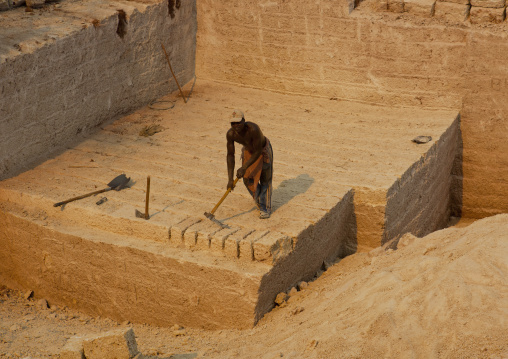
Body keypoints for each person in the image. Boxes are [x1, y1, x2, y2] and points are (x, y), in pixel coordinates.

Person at [226, 109, 273, 219]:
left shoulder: (253, 129)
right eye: (233, 123)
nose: (236, 125)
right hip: (248, 151)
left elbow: (258, 151)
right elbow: (230, 155)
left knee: (265, 179)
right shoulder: (230, 134)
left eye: (238, 122)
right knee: (247, 179)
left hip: (263, 150)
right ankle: (260, 201)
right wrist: (230, 179)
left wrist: (244, 167)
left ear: (244, 121)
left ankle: (265, 207)